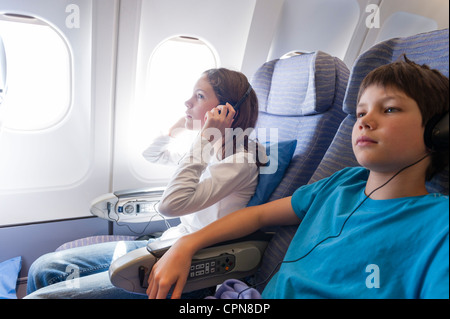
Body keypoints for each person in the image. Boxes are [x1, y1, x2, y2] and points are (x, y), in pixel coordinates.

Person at [146, 57, 449, 299]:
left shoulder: (439, 224)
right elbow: (258, 215)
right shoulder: (341, 184)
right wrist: (187, 245)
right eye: (359, 113)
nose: (365, 121)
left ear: (438, 131)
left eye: (390, 109)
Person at [25, 68, 265, 299]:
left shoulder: (239, 161)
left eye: (199, 96)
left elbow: (169, 205)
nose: (187, 102)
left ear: (226, 110)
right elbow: (152, 155)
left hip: (194, 266)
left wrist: (202, 137)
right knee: (43, 267)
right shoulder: (211, 148)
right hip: (167, 244)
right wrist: (176, 130)